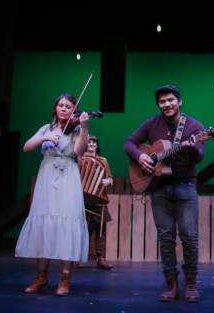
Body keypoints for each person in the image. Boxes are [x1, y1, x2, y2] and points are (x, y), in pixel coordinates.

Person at [124, 84, 204, 303]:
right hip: (158, 187)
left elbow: (199, 157)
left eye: (170, 100)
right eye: (162, 101)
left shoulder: (194, 126)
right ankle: (170, 283)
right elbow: (129, 143)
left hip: (185, 186)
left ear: (179, 102)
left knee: (189, 236)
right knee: (165, 237)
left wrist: (193, 146)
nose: (167, 104)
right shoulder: (152, 123)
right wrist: (141, 157)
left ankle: (191, 283)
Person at [15, 93, 90, 296]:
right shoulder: (46, 128)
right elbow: (26, 147)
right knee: (44, 224)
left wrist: (84, 127)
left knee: (66, 222)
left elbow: (80, 151)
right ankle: (41, 276)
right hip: (47, 175)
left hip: (68, 175)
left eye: (69, 106)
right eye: (61, 105)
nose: (64, 109)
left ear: (75, 110)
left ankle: (65, 277)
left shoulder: (76, 130)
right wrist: (44, 137)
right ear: (55, 108)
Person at [78, 135, 113, 270]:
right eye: (89, 142)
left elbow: (110, 177)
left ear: (97, 145)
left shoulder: (103, 160)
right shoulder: (80, 159)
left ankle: (100, 259)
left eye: (94, 142)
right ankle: (78, 256)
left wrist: (108, 181)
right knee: (84, 230)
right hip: (84, 200)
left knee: (101, 231)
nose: (92, 144)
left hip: (99, 200)